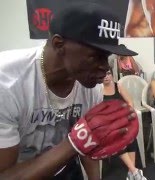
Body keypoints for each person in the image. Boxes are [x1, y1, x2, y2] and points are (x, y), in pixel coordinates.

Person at [0, 2, 139, 179]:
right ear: (59, 44)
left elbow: (86, 148)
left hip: (65, 168)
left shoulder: (91, 86)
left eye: (107, 57)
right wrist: (75, 142)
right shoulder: (6, 84)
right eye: (95, 56)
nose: (104, 68)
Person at [102, 69, 146, 180]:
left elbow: (130, 102)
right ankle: (134, 171)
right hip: (106, 123)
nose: (106, 76)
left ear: (112, 74)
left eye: (108, 73)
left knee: (130, 133)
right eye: (103, 74)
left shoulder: (118, 86)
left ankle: (131, 173)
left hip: (121, 118)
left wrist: (125, 115)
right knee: (118, 134)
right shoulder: (97, 89)